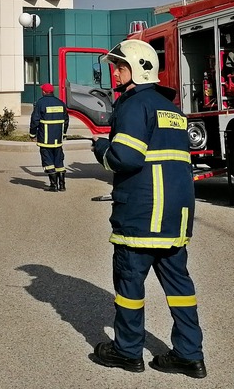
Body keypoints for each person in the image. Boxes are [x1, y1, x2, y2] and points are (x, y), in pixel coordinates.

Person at [90, 39, 207, 379]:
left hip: (141, 216)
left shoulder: (132, 105)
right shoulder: (171, 108)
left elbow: (125, 157)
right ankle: (189, 355)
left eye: (120, 66)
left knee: (129, 287)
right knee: (180, 287)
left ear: (137, 70)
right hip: (176, 216)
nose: (115, 72)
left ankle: (127, 352)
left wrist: (102, 148)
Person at [29, 83, 69, 191]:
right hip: (58, 139)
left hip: (45, 138)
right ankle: (62, 185)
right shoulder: (60, 103)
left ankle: (53, 185)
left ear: (44, 92)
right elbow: (66, 120)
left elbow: (34, 120)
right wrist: (63, 133)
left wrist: (32, 134)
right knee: (59, 160)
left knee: (48, 160)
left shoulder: (40, 103)